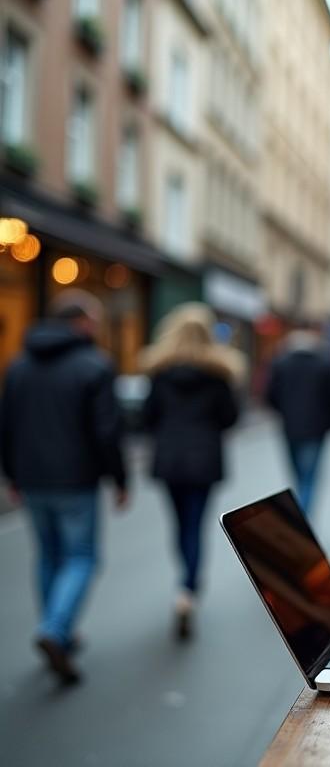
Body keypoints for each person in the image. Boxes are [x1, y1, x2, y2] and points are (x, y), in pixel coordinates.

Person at [0, 290, 127, 684]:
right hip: (76, 480)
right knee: (82, 556)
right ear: (83, 323)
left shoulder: (19, 366)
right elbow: (107, 431)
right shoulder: (94, 365)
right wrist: (120, 479)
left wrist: (12, 475)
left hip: (33, 478)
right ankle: (55, 630)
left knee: (49, 556)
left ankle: (59, 630)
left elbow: (7, 425)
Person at [139, 303, 244, 640]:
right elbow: (230, 418)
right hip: (204, 459)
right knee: (196, 525)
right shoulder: (218, 374)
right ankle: (188, 590)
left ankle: (184, 582)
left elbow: (147, 417)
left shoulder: (159, 372)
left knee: (179, 523)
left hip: (169, 458)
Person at [266, 326, 330, 515]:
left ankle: (299, 517)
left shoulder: (281, 363)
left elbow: (270, 395)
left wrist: (285, 412)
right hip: (316, 430)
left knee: (298, 474)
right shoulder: (324, 364)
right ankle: (303, 520)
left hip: (291, 427)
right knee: (309, 477)